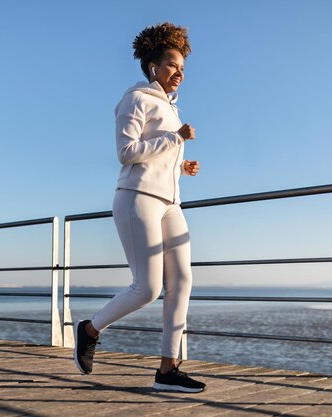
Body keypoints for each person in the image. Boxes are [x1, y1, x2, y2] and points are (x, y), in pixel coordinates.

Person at [74, 22, 205, 393]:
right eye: (172, 65)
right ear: (153, 68)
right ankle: (90, 329)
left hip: (170, 202)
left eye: (182, 68)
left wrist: (182, 165)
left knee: (182, 282)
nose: (179, 72)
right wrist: (174, 138)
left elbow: (157, 156)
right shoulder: (135, 99)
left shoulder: (171, 109)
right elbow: (127, 152)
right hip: (137, 198)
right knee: (147, 288)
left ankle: (168, 368)